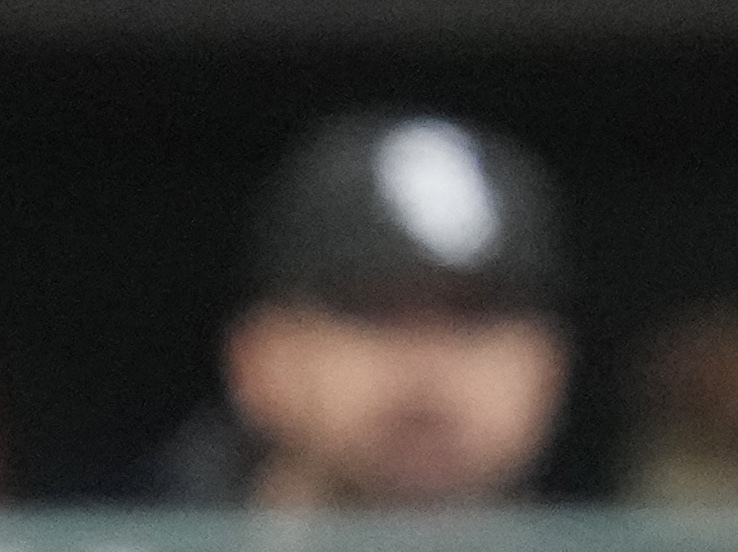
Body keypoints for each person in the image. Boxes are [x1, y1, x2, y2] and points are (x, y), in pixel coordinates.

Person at [156, 111, 570, 510]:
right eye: (371, 316)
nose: (425, 370)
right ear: (259, 360)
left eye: (474, 321)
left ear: (548, 367)